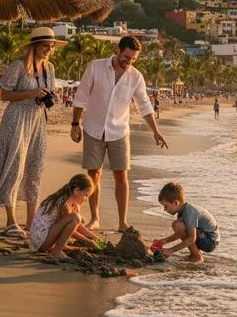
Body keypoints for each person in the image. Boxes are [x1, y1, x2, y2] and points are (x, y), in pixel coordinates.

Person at [70, 35, 168, 232]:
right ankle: (95, 218)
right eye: (126, 57)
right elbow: (80, 97)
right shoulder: (95, 67)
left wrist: (156, 131)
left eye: (133, 59)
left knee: (121, 176)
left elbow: (144, 106)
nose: (129, 62)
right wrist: (75, 124)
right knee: (93, 175)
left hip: (119, 131)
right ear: (117, 50)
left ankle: (122, 222)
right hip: (93, 128)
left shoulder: (136, 77)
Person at [0, 26, 64, 238]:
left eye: (51, 46)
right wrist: (30, 93)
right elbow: (4, 94)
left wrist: (50, 98)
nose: (49, 49)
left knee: (35, 167)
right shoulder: (18, 66)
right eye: (45, 46)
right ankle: (11, 221)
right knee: (15, 166)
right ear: (34, 46)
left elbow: (51, 93)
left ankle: (31, 221)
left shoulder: (49, 68)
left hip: (38, 118)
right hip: (17, 117)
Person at [29, 173, 101, 260]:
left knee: (76, 217)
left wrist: (92, 236)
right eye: (86, 195)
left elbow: (76, 226)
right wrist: (87, 241)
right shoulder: (64, 204)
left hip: (42, 240)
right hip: (41, 241)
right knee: (76, 217)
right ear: (77, 191)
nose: (86, 199)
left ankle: (61, 246)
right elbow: (72, 229)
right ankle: (57, 251)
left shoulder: (71, 203)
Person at [154, 181, 219, 263]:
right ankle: (196, 253)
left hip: (210, 241)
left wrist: (171, 250)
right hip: (204, 236)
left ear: (176, 203)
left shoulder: (189, 212)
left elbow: (192, 238)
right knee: (177, 225)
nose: (165, 209)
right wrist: (164, 241)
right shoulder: (182, 211)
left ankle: (197, 257)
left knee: (177, 225)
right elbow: (181, 233)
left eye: (166, 206)